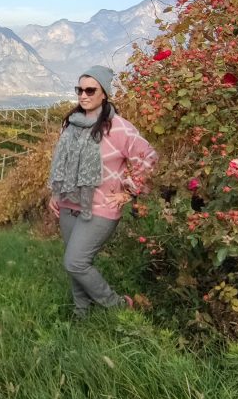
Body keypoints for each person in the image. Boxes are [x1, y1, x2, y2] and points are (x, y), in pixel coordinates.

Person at [48, 65, 158, 317]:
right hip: (68, 204)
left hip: (101, 208)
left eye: (90, 90)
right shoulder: (71, 125)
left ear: (104, 94)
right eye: (80, 90)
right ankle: (81, 312)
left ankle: (118, 306)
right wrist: (55, 194)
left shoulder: (118, 128)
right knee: (75, 264)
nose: (83, 95)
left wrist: (128, 192)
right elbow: (62, 162)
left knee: (75, 262)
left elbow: (148, 157)